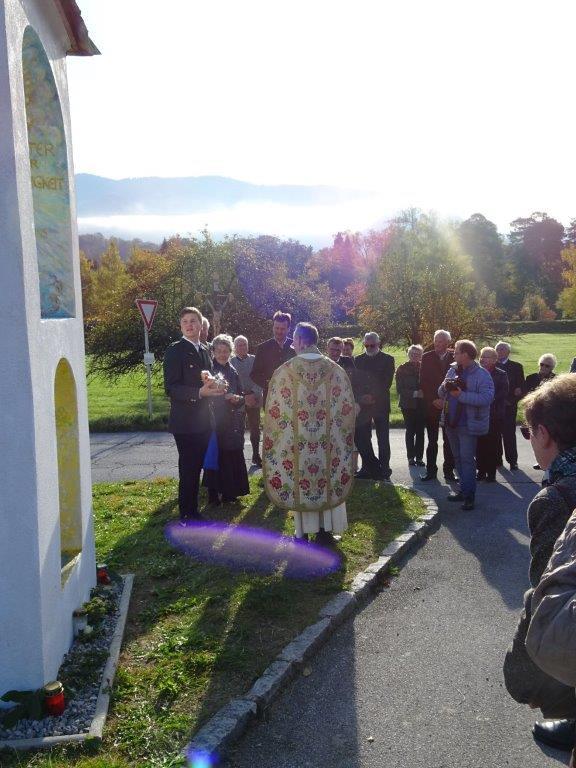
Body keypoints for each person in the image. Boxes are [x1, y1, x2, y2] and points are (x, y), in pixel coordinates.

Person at [503, 374, 576, 753]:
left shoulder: (555, 499)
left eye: (527, 432)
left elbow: (549, 593)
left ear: (544, 434)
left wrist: (526, 675)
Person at [262, 322, 356, 545]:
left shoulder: (285, 371)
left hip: (299, 447)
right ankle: (325, 532)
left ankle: (302, 534)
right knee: (325, 479)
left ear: (300, 340)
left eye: (294, 340)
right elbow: (346, 411)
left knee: (302, 480)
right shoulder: (335, 370)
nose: (292, 345)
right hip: (326, 447)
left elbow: (275, 413)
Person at [163, 307, 226, 524]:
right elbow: (171, 388)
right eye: (185, 321)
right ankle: (186, 516)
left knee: (196, 468)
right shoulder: (175, 351)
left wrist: (217, 386)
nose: (189, 325)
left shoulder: (204, 349)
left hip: (204, 420)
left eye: (193, 321)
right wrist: (199, 393)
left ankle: (193, 512)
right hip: (185, 422)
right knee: (188, 469)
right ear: (180, 326)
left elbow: (207, 379)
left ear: (201, 325)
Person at [438, 339, 494, 510]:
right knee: (457, 458)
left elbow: (487, 398)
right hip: (450, 422)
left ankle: (469, 496)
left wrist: (461, 395)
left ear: (466, 354)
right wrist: (445, 386)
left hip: (468, 424)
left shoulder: (482, 374)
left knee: (467, 460)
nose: (453, 354)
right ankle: (463, 490)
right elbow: (440, 392)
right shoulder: (453, 369)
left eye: (456, 352)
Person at [202, 334, 249, 505]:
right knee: (215, 456)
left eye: (226, 351)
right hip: (213, 420)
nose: (222, 354)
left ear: (231, 352)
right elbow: (205, 396)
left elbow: (241, 395)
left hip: (232, 421)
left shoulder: (233, 371)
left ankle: (230, 493)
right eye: (219, 351)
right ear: (213, 352)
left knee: (232, 455)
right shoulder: (209, 371)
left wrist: (237, 399)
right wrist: (224, 398)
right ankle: (213, 495)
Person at [354, 332, 395, 480]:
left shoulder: (388, 359)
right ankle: (368, 468)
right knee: (364, 438)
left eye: (372, 345)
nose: (369, 348)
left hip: (380, 404)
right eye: (367, 345)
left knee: (383, 438)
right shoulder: (358, 360)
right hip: (364, 405)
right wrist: (361, 398)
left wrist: (373, 396)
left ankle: (384, 468)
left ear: (378, 344)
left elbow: (386, 382)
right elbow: (356, 382)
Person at [419, 330, 456, 482]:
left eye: (441, 341)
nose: (437, 344)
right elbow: (423, 381)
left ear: (448, 342)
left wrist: (446, 400)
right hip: (432, 405)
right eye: (436, 340)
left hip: (450, 404)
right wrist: (434, 399)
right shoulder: (426, 357)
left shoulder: (454, 356)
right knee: (432, 440)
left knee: (449, 441)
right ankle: (431, 471)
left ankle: (449, 472)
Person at [476, 347, 509, 482]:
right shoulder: (476, 372)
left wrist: (487, 398)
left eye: (486, 356)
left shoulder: (501, 374)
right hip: (478, 414)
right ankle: (481, 471)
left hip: (494, 414)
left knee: (492, 444)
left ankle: (491, 473)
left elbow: (503, 392)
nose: (483, 359)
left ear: (495, 360)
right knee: (479, 444)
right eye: (482, 356)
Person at [231, 335, 263, 467]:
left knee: (255, 429)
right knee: (239, 428)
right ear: (235, 347)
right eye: (239, 345)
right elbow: (231, 383)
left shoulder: (255, 360)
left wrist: (253, 393)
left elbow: (260, 378)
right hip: (239, 400)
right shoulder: (231, 362)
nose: (242, 347)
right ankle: (239, 458)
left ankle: (256, 455)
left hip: (254, 399)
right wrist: (244, 396)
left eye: (244, 344)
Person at [250, 310, 296, 404]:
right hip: (270, 398)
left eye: (282, 329)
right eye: (276, 328)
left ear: (288, 329)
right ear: (273, 327)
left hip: (292, 397)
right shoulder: (263, 348)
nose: (279, 331)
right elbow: (254, 374)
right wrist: (269, 383)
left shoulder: (297, 347)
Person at [495, 341, 525, 471]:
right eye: (498, 349)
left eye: (502, 349)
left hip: (509, 406)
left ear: (508, 352)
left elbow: (520, 387)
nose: (499, 351)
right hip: (494, 405)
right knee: (495, 434)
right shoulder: (492, 366)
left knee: (509, 435)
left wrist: (512, 400)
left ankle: (513, 461)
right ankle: (497, 460)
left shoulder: (516, 367)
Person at [395, 345, 426, 466]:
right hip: (407, 404)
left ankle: (419, 458)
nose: (414, 356)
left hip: (422, 404)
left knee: (420, 432)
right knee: (410, 431)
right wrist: (415, 393)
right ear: (408, 354)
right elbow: (399, 389)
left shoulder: (425, 368)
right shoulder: (402, 368)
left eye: (417, 354)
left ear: (421, 355)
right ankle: (410, 457)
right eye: (412, 354)